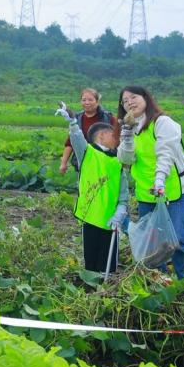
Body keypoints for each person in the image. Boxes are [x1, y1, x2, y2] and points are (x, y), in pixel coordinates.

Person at [118, 86, 184, 279]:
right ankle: (160, 282)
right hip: (146, 192)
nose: (130, 102)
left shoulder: (162, 123)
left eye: (134, 97)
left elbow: (165, 154)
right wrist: (126, 137)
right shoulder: (130, 128)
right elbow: (126, 160)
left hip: (173, 189)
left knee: (179, 239)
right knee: (154, 243)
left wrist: (159, 180)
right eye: (125, 100)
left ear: (146, 98)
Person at [57, 102, 129, 273]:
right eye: (114, 135)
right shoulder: (88, 154)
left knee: (108, 259)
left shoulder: (118, 162)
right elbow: (77, 140)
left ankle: (105, 288)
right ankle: (90, 284)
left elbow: (123, 193)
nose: (117, 140)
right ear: (102, 136)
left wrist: (121, 211)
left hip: (111, 219)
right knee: (91, 256)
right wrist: (73, 122)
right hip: (90, 215)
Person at [59, 88, 117, 175]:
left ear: (97, 102)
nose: (87, 103)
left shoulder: (108, 118)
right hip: (83, 163)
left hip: (105, 163)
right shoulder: (76, 119)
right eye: (84, 100)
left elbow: (119, 138)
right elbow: (70, 143)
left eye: (90, 100)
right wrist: (63, 163)